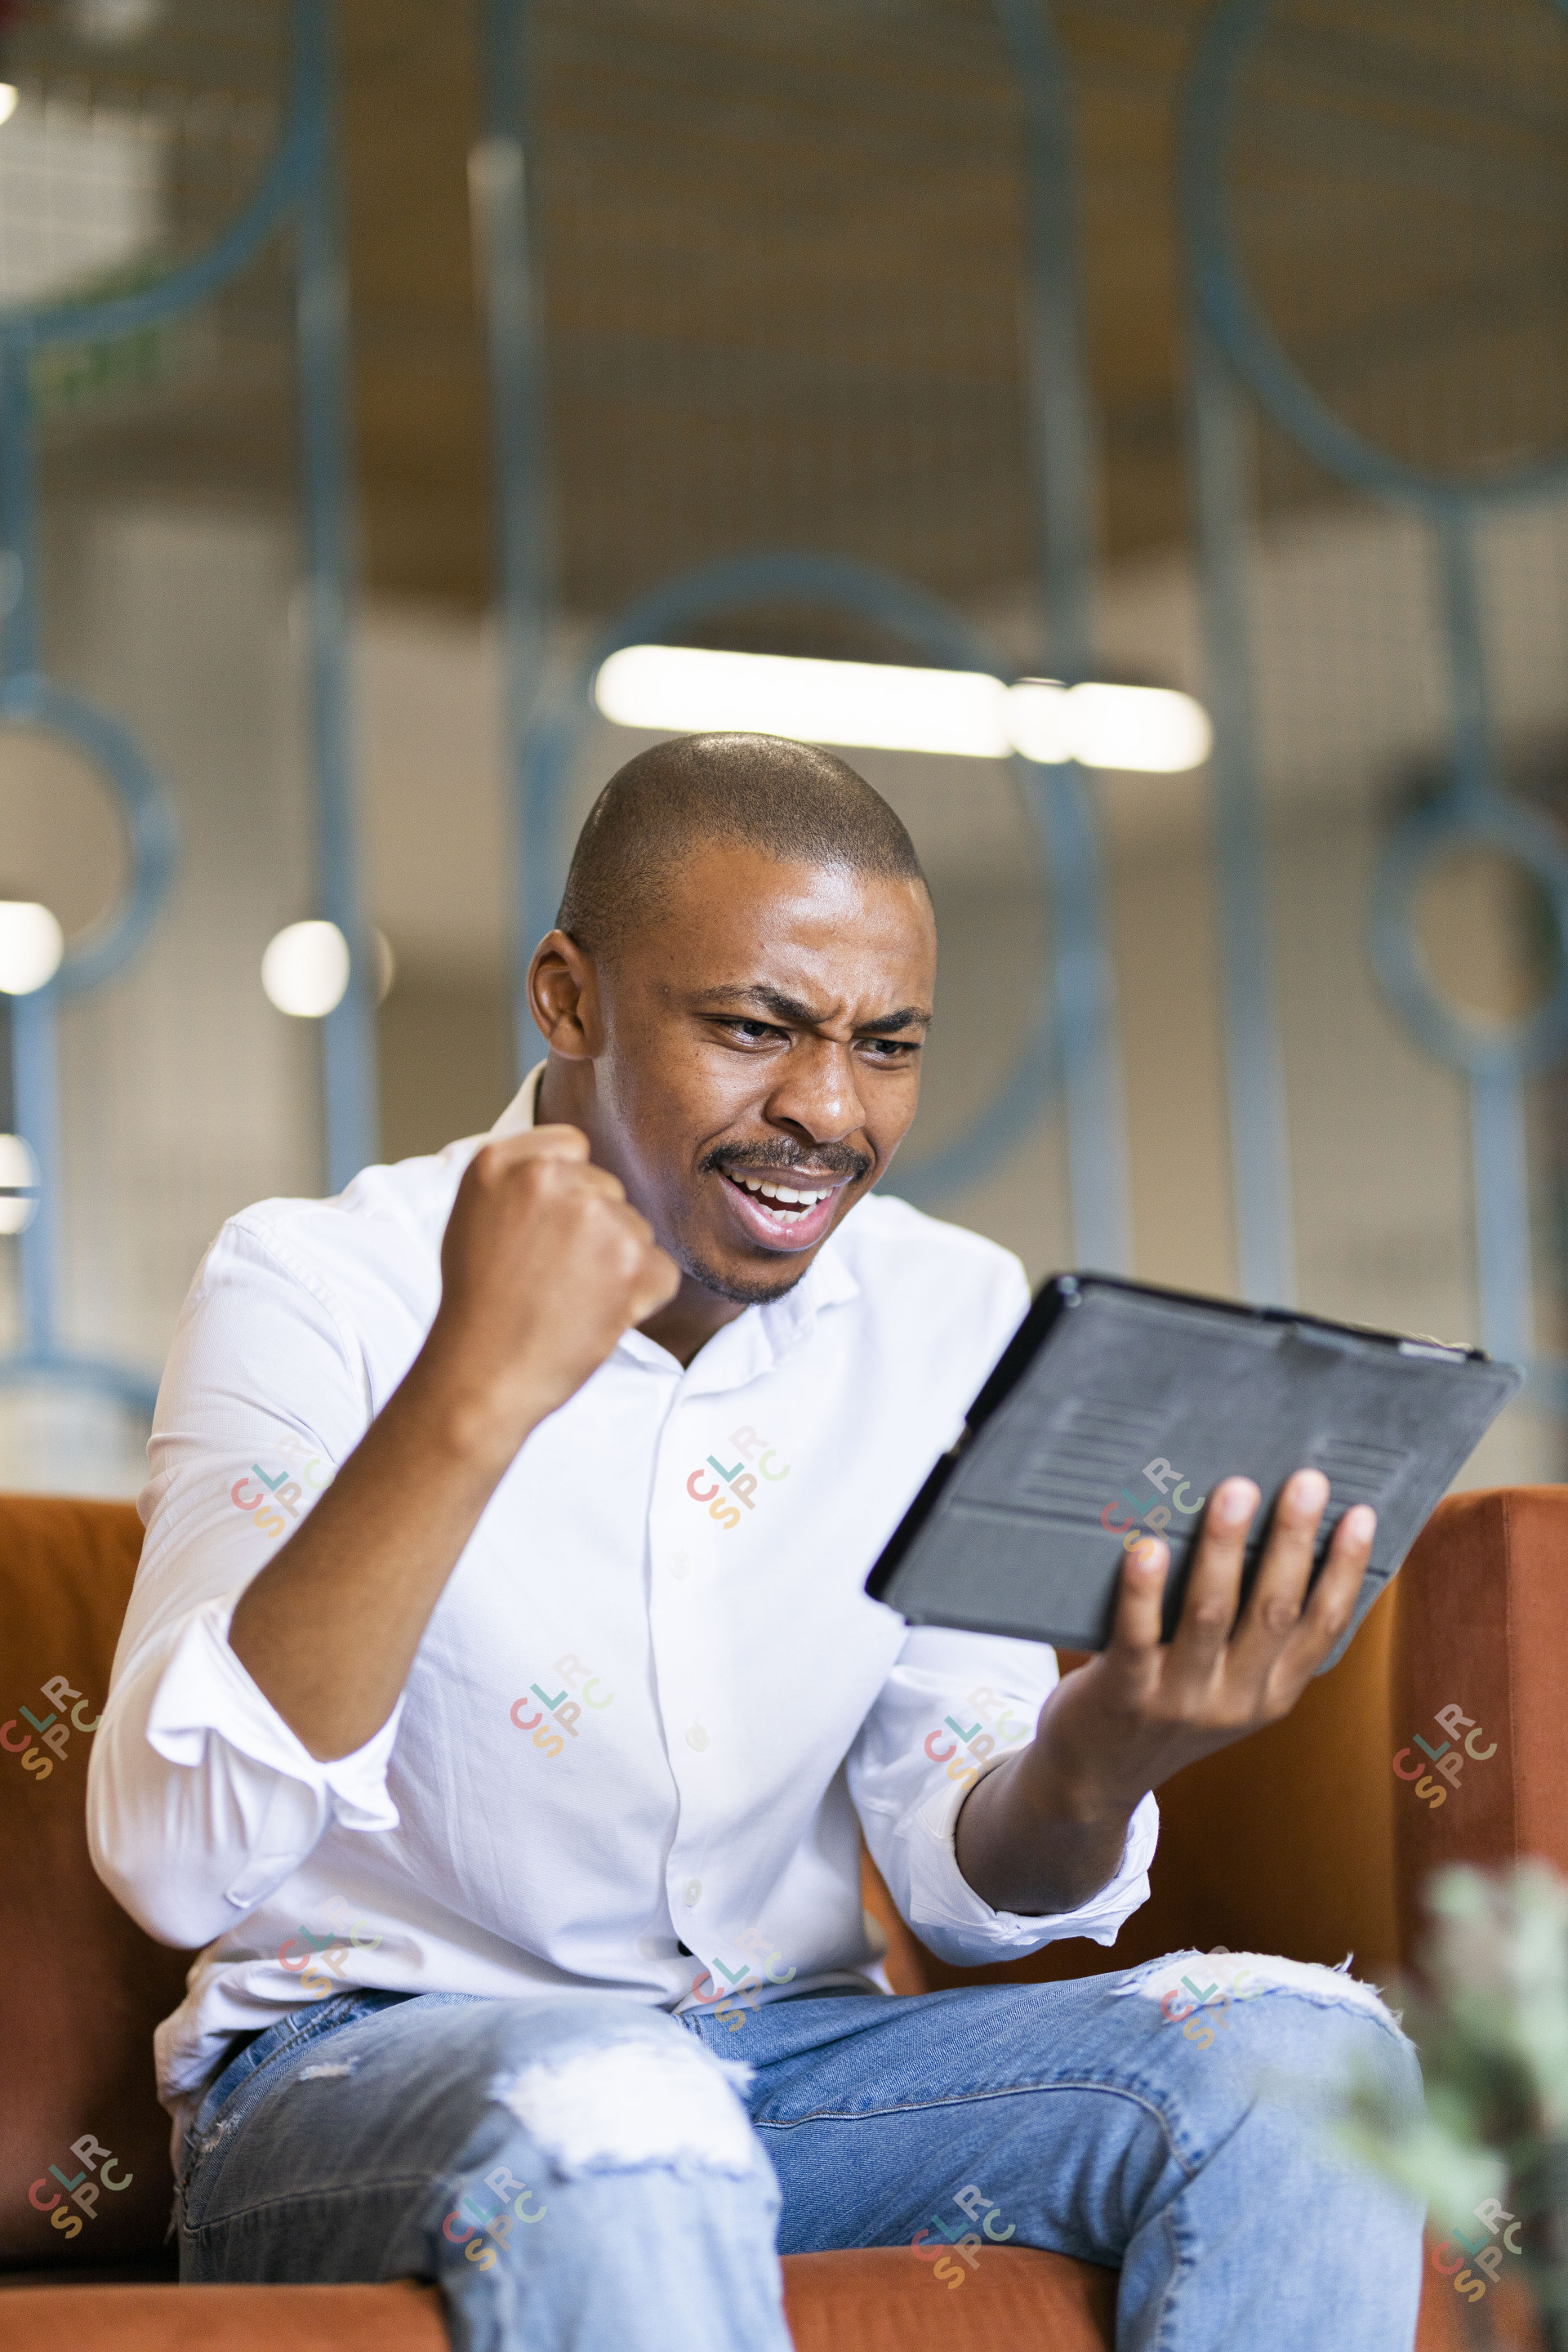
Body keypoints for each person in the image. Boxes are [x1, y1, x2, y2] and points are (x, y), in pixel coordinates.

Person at [89, 732, 1422, 2351]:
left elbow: (965, 1876)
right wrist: (469, 1394)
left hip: (789, 2065)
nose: (828, 1112)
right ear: (567, 997)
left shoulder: (946, 1310)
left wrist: (1101, 1752)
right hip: (366, 2075)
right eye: (750, 1027)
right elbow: (174, 1855)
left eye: (889, 1044)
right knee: (624, 2104)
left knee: (1308, 2055)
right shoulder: (319, 1286)